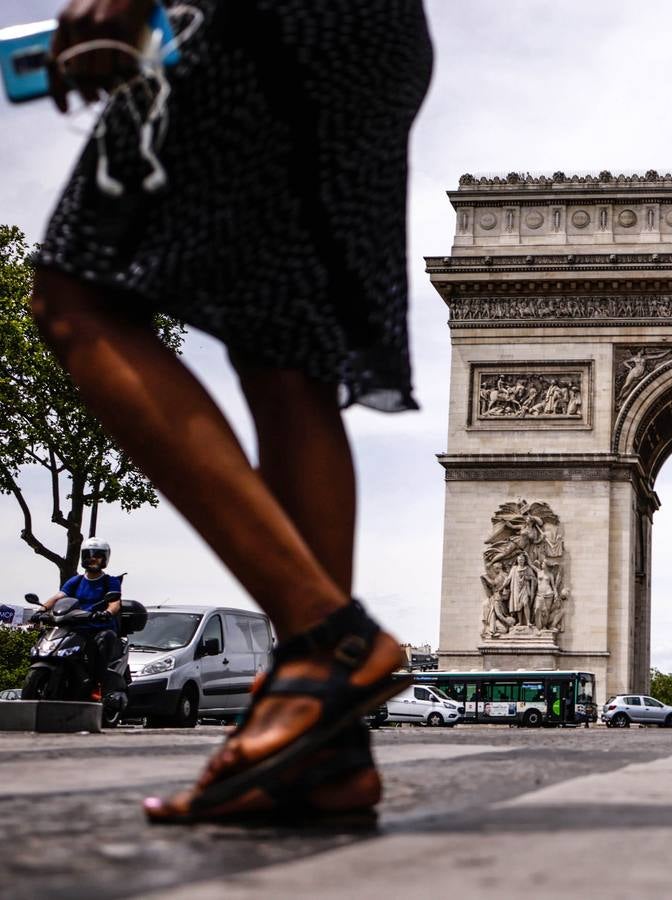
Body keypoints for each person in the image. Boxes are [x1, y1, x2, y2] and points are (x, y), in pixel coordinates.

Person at [28, 0, 433, 823]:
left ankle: (330, 636)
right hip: (371, 32)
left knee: (78, 298)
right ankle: (324, 755)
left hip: (263, 23)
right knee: (285, 355)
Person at [40, 537, 122, 693]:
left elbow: (115, 603)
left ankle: (98, 686)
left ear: (105, 558)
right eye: (88, 555)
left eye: (97, 555)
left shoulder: (109, 581)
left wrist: (107, 612)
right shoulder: (75, 581)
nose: (92, 558)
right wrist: (41, 610)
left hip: (99, 627)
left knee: (105, 640)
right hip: (76, 627)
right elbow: (58, 597)